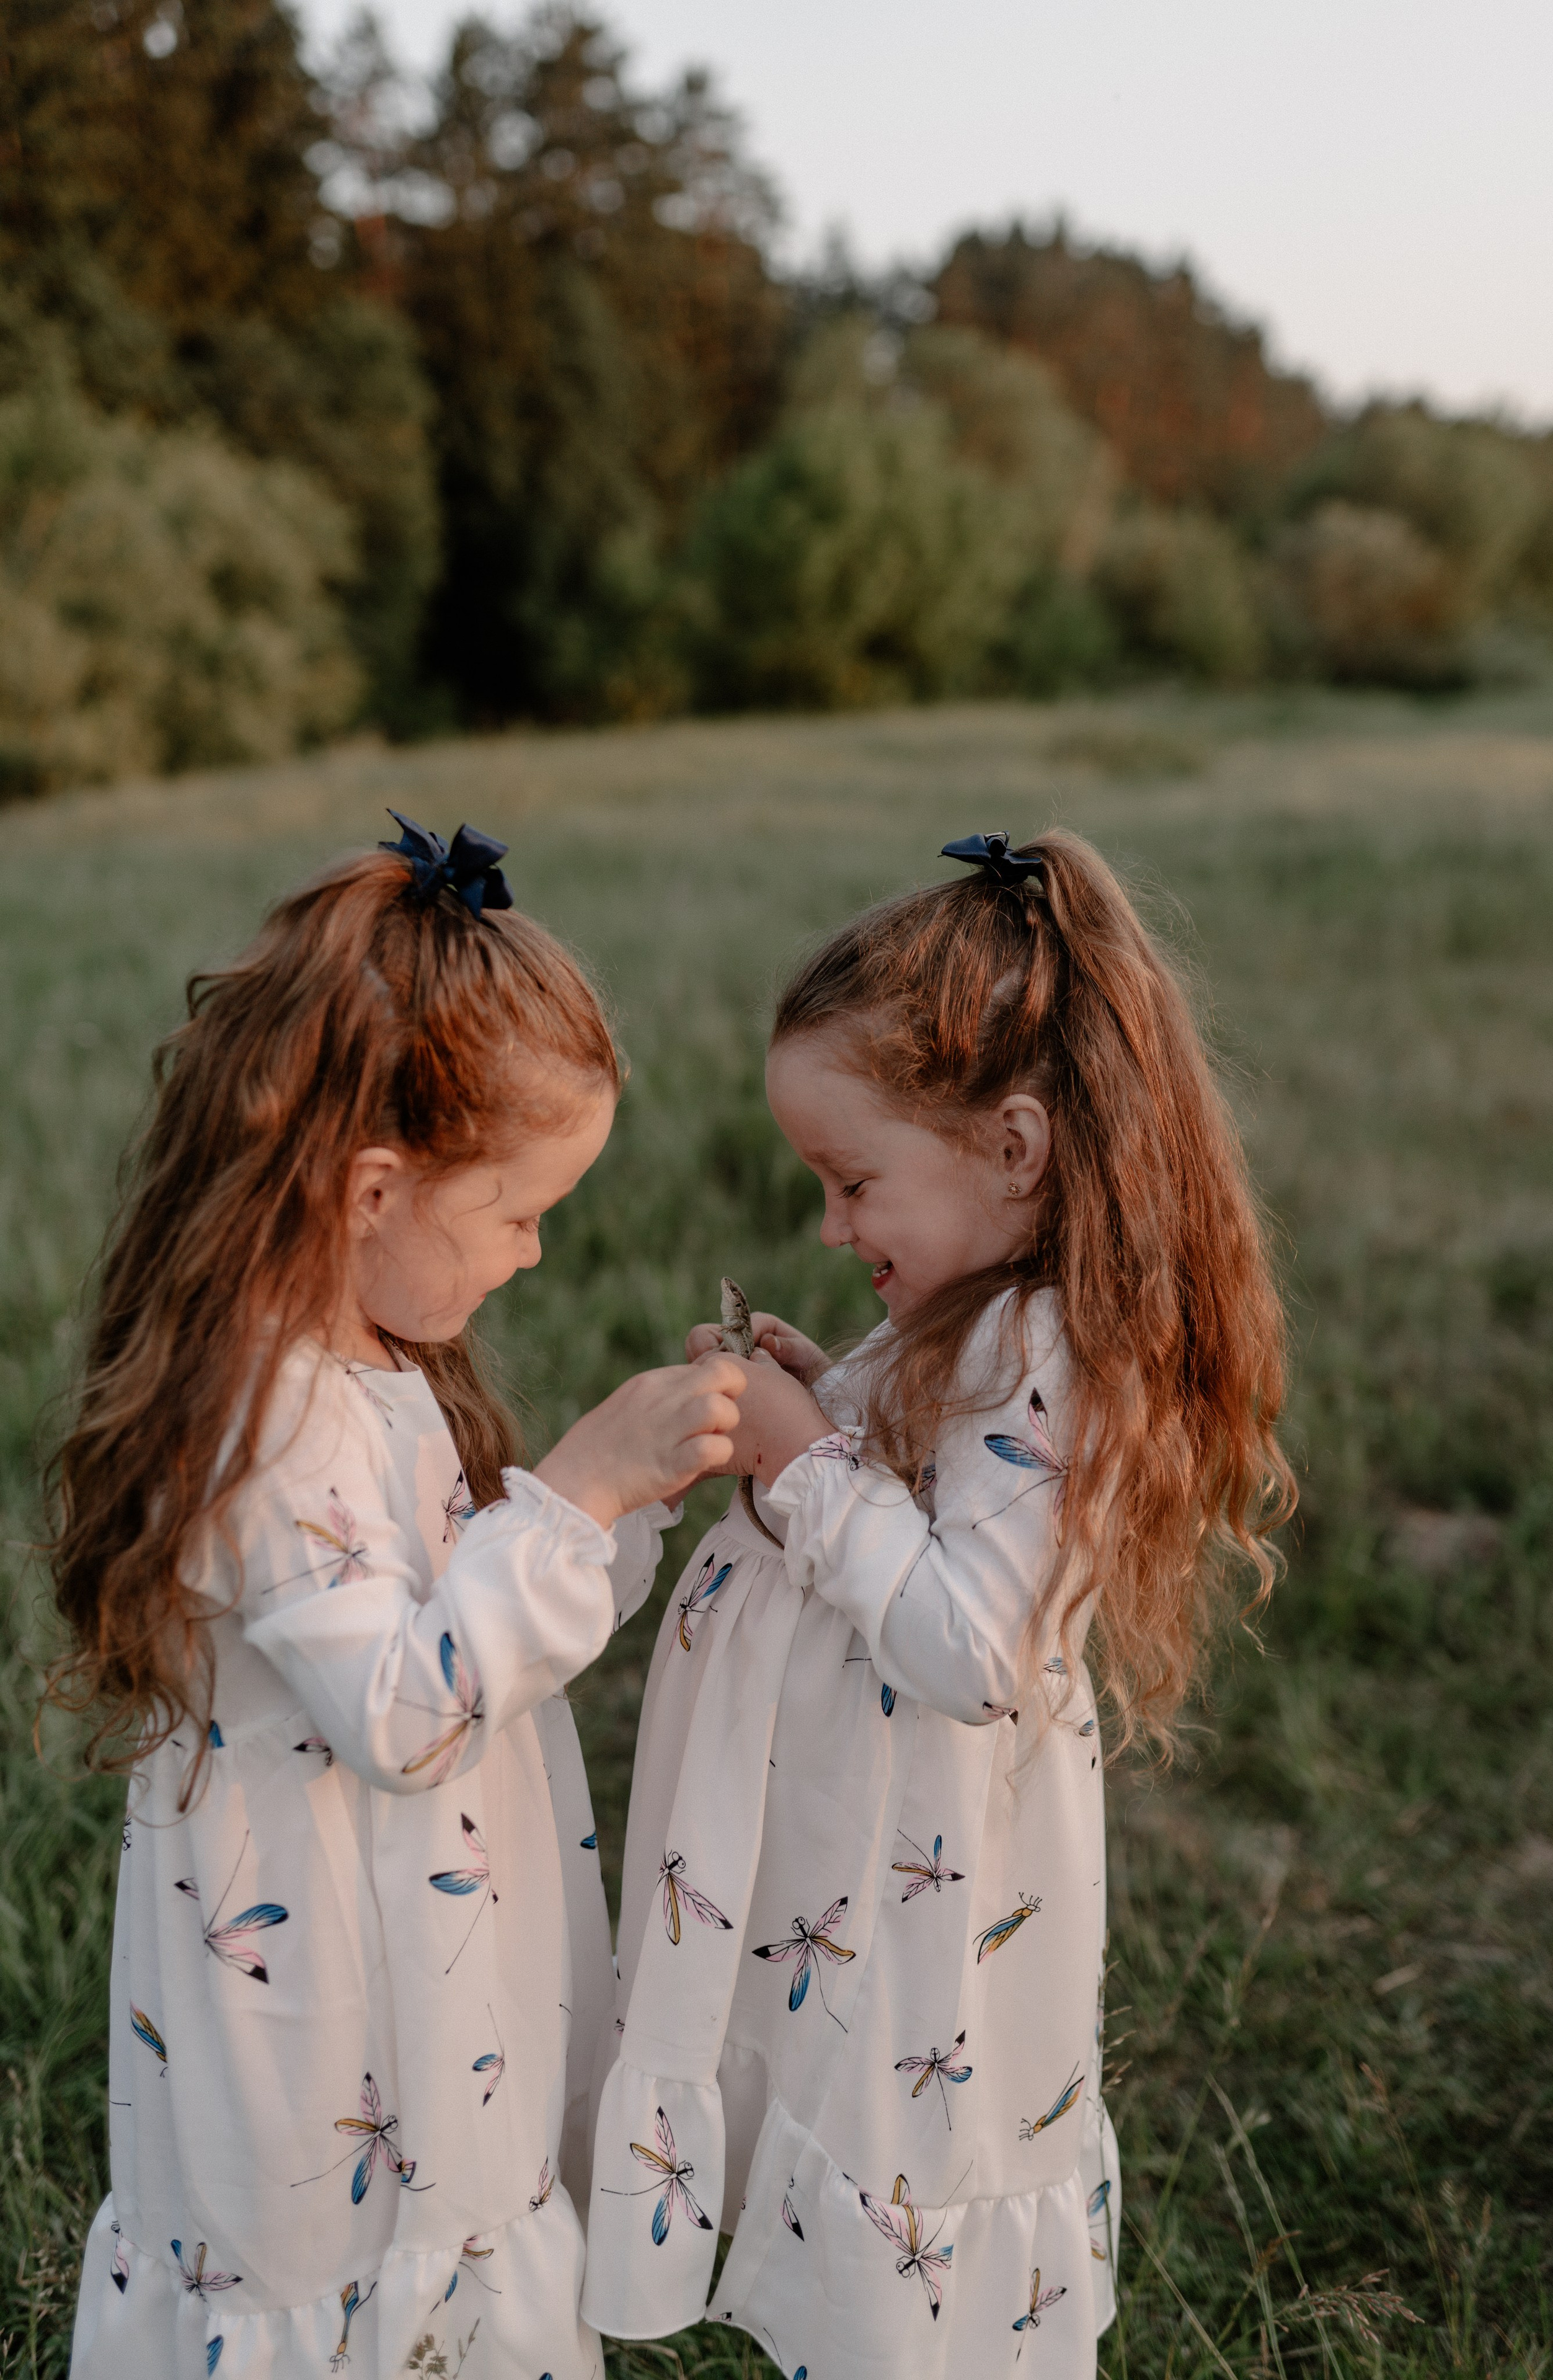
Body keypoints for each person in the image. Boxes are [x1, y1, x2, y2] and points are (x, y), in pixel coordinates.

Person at [582, 828, 1294, 2379]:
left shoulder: (1054, 1357)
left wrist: (811, 1467)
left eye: (852, 1182)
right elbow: (902, 1501)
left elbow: (973, 1641)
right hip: (854, 1882)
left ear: (1014, 1146)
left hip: (927, 1907)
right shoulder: (973, 1313)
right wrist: (817, 1407)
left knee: (900, 2191)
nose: (833, 1226)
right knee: (831, 2118)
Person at [52, 816, 745, 2380]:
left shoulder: (366, 1365)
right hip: (318, 1996)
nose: (537, 1251)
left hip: (421, 1968)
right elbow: (404, 1708)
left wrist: (627, 1505)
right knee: (341, 2276)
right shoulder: (266, 1416)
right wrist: (571, 1495)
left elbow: (468, 1631)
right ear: (372, 1188)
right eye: (512, 1213)